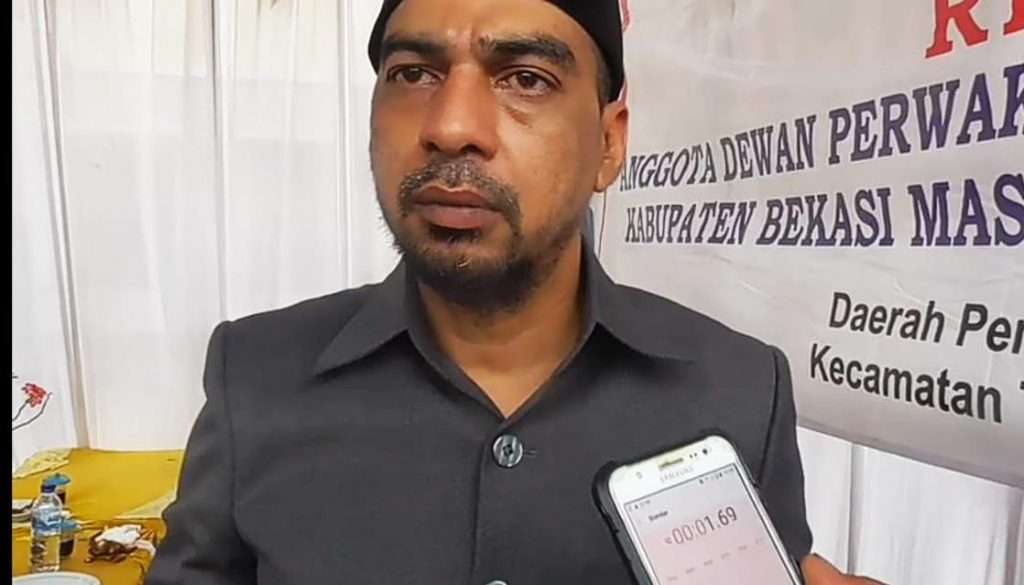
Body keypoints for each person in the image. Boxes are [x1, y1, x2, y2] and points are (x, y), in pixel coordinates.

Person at [146, 1, 884, 583]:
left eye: (526, 78)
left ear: (610, 143)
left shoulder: (740, 389)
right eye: (413, 73)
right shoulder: (256, 374)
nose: (451, 126)